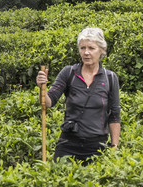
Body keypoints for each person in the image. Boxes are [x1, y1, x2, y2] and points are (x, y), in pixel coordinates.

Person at [37, 28, 121, 163]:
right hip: (68, 143)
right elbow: (48, 102)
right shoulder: (68, 72)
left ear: (102, 50)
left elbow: (115, 115)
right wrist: (42, 88)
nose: (86, 52)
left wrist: (114, 146)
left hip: (97, 145)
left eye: (91, 48)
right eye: (82, 48)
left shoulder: (110, 78)